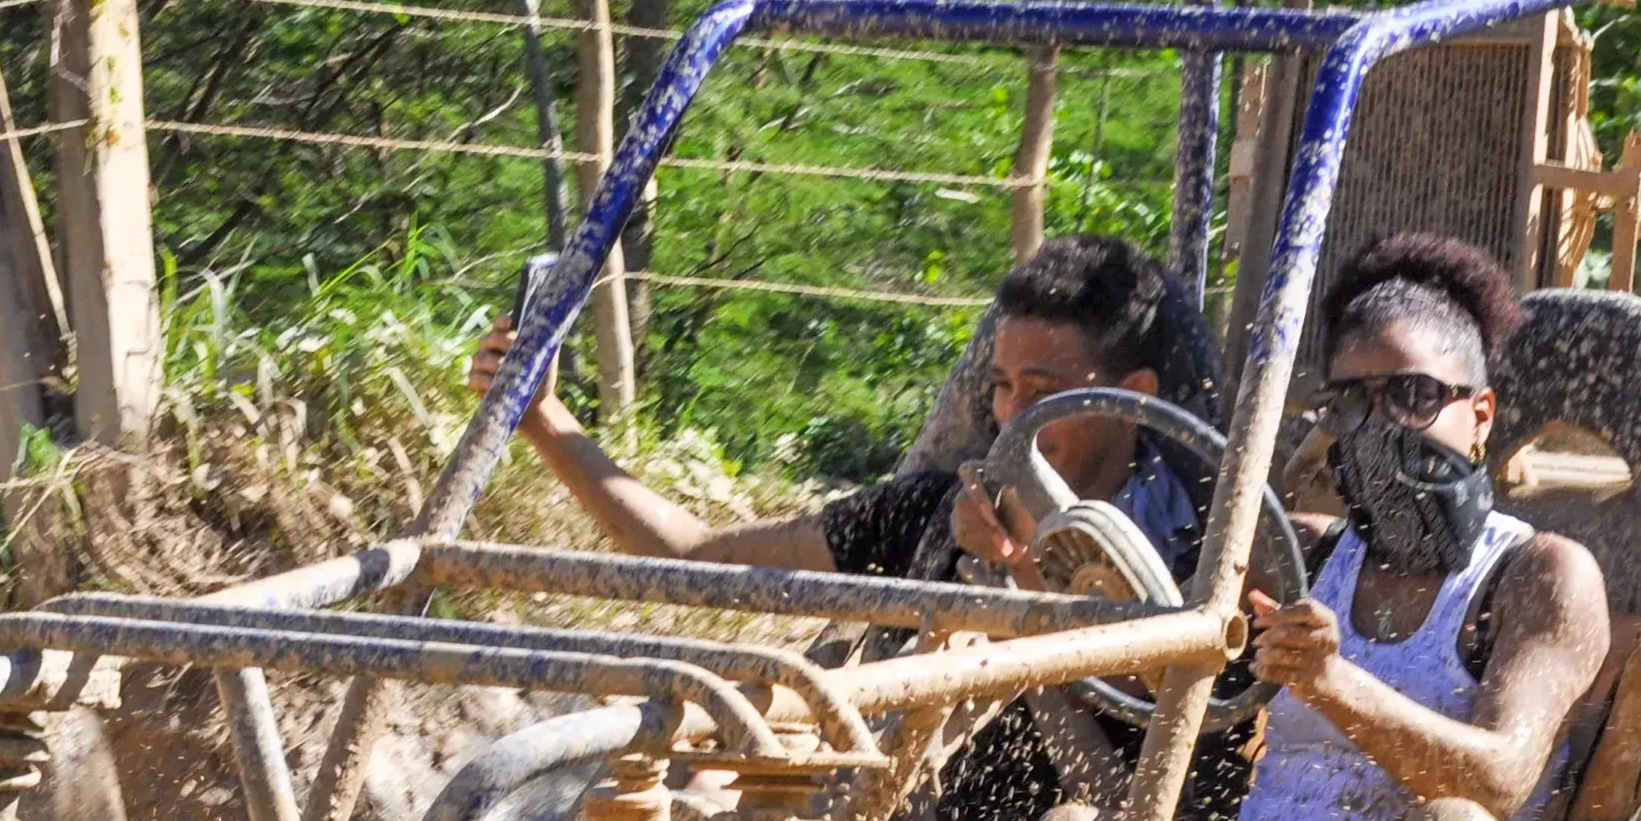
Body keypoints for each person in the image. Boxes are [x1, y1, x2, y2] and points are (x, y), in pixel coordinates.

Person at [1000, 232, 1614, 821]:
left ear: (1481, 415)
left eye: (1412, 397)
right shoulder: (1302, 554)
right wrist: (1030, 607)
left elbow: (1502, 778)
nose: (1381, 429)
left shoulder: (1539, 572)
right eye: (1354, 403)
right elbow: (1138, 648)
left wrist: (1335, 686)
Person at [468, 232, 1212, 595]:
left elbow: (1175, 706)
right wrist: (544, 419)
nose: (1012, 416)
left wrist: (1026, 577)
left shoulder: (1205, 546)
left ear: (1134, 394)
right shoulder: (931, 517)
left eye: (1043, 394)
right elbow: (699, 555)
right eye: (1001, 386)